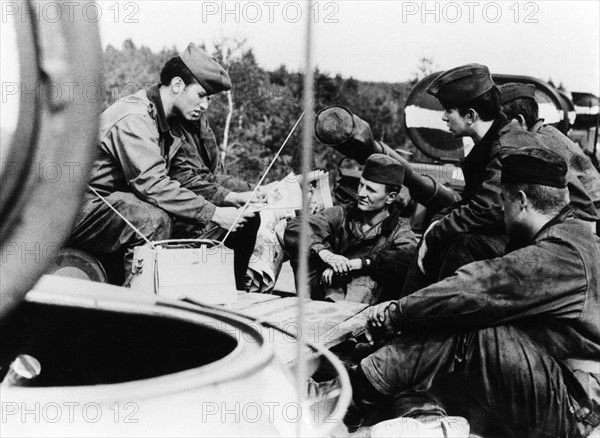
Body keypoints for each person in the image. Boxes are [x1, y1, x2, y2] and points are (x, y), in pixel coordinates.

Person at [346, 147, 600, 437]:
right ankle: (402, 400)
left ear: (521, 200)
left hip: (578, 408)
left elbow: (478, 287)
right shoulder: (571, 235)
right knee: (442, 357)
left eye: (504, 200)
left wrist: (398, 312)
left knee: (467, 321)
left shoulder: (563, 251)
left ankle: (352, 391)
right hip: (563, 384)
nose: (502, 209)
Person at [69, 42, 264, 289]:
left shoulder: (170, 122)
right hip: (78, 208)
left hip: (115, 204)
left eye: (209, 99)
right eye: (202, 96)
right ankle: (137, 312)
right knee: (152, 220)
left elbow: (182, 176)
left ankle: (219, 300)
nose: (205, 105)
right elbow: (153, 184)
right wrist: (213, 213)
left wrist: (230, 197)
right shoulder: (135, 118)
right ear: (177, 85)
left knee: (234, 222)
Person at [403, 63, 538, 295]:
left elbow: (487, 208)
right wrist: (437, 224)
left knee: (459, 245)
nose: (444, 117)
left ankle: (426, 320)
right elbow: (469, 202)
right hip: (505, 232)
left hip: (524, 242)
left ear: (471, 116)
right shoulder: (491, 141)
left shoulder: (506, 146)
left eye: (449, 110)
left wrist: (435, 232)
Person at [284, 154, 417, 304]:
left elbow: (409, 257)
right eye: (361, 185)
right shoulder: (341, 214)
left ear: (390, 197)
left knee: (375, 274)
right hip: (320, 294)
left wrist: (354, 264)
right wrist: (326, 255)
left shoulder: (399, 230)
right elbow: (296, 226)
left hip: (363, 311)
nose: (361, 193)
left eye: (371, 190)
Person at [499, 82, 600, 233]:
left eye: (501, 125)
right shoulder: (547, 133)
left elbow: (584, 203)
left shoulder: (538, 143)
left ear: (520, 121)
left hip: (587, 219)